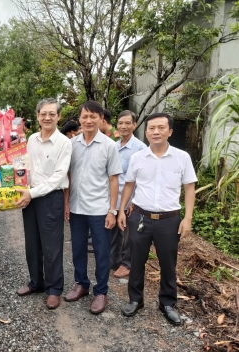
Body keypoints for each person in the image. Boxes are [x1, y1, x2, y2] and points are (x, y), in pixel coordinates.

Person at [118, 112, 197, 326]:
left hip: (170, 220)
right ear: (146, 132)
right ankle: (135, 300)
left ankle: (167, 303)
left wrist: (187, 218)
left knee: (168, 263)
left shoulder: (182, 157)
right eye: (151, 128)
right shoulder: (138, 158)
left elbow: (189, 187)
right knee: (136, 261)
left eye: (161, 128)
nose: (156, 132)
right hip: (140, 218)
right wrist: (121, 211)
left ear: (170, 131)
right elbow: (129, 185)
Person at [64, 100, 122, 314]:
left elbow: (114, 180)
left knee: (101, 252)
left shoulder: (109, 146)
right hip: (77, 207)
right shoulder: (72, 145)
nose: (88, 120)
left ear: (101, 119)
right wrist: (66, 204)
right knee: (78, 249)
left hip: (100, 210)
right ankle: (81, 284)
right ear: (79, 119)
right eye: (84, 116)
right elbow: (68, 176)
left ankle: (101, 291)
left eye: (93, 116)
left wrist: (112, 210)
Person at [15, 98, 72, 310]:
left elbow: (59, 177)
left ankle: (54, 288)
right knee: (32, 243)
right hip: (30, 197)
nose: (47, 117)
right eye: (43, 114)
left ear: (58, 117)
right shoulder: (31, 139)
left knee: (52, 246)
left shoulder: (64, 143)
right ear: (38, 116)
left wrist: (31, 192)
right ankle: (36, 282)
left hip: (50, 198)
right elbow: (26, 168)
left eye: (52, 114)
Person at [110, 111, 147, 278]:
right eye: (120, 123)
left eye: (127, 123)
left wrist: (135, 201)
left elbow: (143, 177)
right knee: (113, 233)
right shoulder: (114, 146)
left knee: (127, 234)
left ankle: (127, 263)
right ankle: (114, 261)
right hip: (113, 198)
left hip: (129, 199)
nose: (123, 126)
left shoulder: (140, 148)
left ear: (134, 125)